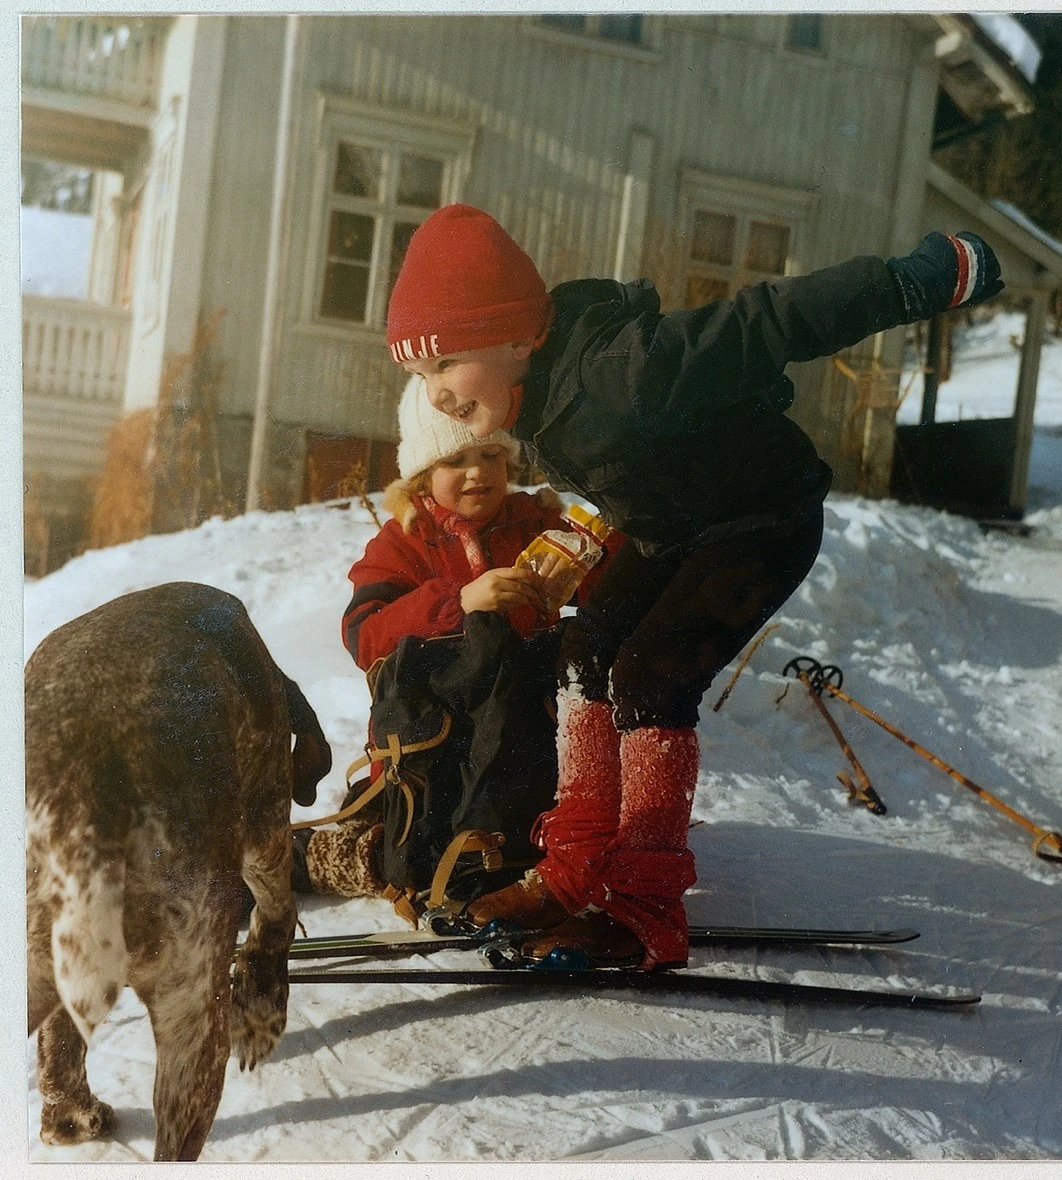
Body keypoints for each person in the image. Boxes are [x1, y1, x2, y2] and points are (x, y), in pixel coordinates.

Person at [385, 202, 1004, 969]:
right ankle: (576, 862)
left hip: (759, 523)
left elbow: (767, 319)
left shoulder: (626, 370)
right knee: (582, 646)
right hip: (674, 531)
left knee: (650, 674)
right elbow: (628, 471)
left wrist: (913, 282)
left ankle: (644, 906)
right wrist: (586, 535)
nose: (434, 392)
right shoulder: (533, 396)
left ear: (516, 336)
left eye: (443, 363)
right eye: (418, 373)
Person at [297, 375, 615, 906]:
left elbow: (609, 579)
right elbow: (364, 636)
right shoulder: (404, 540)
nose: (478, 473)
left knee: (517, 840)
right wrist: (459, 601)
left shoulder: (534, 524)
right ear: (422, 474)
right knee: (407, 856)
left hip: (521, 745)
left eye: (492, 456)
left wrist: (585, 559)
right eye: (455, 461)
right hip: (430, 754)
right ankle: (311, 858)